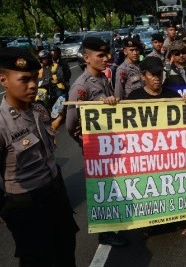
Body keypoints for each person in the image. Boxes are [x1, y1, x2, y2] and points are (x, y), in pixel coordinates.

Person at [0, 47, 78, 266]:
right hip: (27, 207)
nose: (32, 85)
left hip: (56, 194)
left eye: (34, 78)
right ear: (3, 80)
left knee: (66, 251)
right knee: (38, 261)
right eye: (23, 80)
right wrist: (5, 209)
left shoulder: (39, 110)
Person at [65, 37, 128, 247]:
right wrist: (85, 143)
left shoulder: (102, 78)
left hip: (110, 144)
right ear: (86, 58)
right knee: (100, 188)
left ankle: (114, 222)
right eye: (100, 55)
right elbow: (71, 125)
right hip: (95, 148)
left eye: (107, 54)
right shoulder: (80, 88)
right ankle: (105, 232)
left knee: (112, 186)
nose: (106, 58)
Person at [127, 57, 186, 237]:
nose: (157, 78)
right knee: (149, 187)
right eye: (152, 74)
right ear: (143, 76)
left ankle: (181, 219)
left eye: (159, 74)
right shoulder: (133, 98)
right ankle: (150, 222)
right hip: (146, 154)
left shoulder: (173, 96)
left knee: (173, 184)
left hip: (170, 153)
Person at [36, 50, 67, 131]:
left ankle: (61, 112)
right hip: (44, 87)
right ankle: (41, 111)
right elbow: (37, 78)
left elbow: (61, 76)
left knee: (60, 93)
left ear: (49, 58)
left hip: (55, 86)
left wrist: (53, 80)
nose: (43, 60)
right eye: (42, 59)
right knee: (38, 95)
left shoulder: (56, 66)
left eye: (45, 59)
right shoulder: (40, 69)